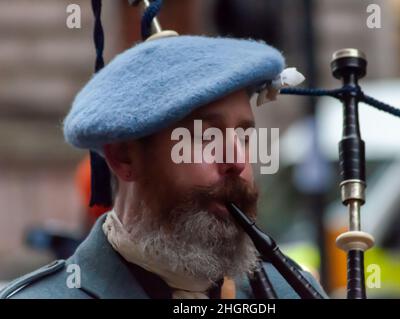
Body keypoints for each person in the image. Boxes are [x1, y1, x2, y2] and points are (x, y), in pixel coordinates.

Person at [0, 35, 327, 299]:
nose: (237, 162)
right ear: (124, 158)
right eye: (205, 137)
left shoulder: (290, 291)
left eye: (244, 136)